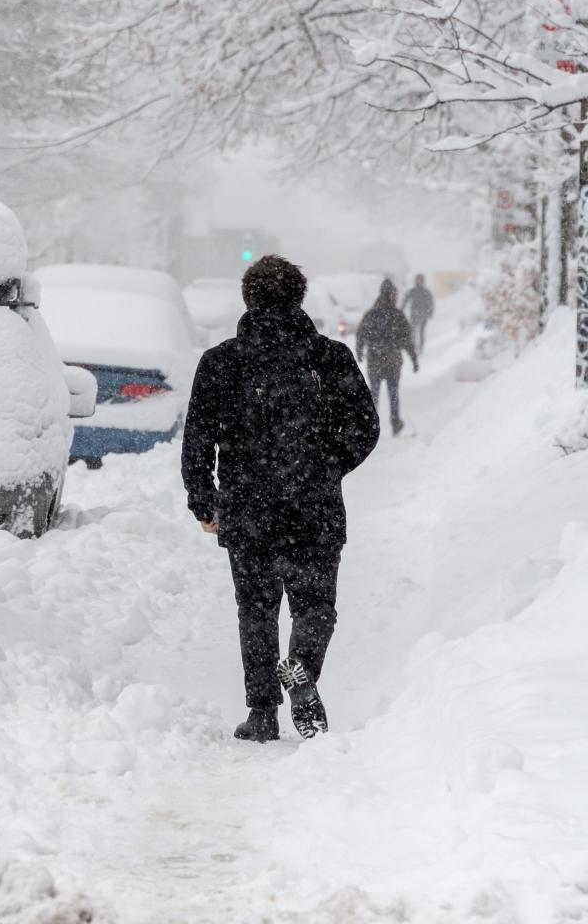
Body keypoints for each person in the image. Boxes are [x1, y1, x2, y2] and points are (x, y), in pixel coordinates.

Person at [181, 255, 380, 743]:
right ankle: (302, 665)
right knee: (315, 605)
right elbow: (365, 427)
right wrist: (326, 467)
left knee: (256, 609)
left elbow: (198, 437)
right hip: (314, 508)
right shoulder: (329, 358)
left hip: (248, 508)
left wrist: (204, 500)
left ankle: (263, 712)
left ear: (248, 300)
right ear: (299, 299)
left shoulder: (222, 361)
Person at [356, 278, 418, 437]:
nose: (396, 296)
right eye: (393, 293)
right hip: (392, 362)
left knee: (373, 396)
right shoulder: (397, 315)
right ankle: (395, 423)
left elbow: (361, 334)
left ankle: (368, 426)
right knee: (393, 395)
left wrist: (360, 351)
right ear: (389, 294)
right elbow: (406, 339)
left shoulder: (371, 314)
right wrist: (414, 358)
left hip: (375, 361)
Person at [402, 274, 435, 354]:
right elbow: (406, 299)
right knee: (412, 331)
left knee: (421, 332)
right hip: (414, 314)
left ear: (423, 281)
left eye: (421, 280)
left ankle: (421, 347)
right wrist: (402, 308)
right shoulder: (413, 291)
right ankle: (413, 346)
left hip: (423, 315)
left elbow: (430, 303)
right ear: (415, 281)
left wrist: (430, 312)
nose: (419, 281)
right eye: (418, 280)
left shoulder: (426, 292)